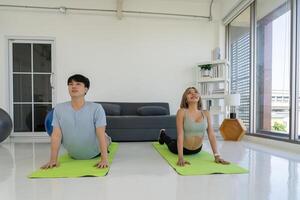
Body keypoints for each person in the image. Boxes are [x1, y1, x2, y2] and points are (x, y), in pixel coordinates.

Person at [41, 74, 111, 169]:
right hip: (74, 154)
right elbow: (56, 135)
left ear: (86, 89)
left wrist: (104, 159)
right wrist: (53, 160)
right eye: (70, 84)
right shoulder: (59, 109)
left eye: (78, 84)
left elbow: (100, 134)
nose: (73, 86)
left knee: (105, 137)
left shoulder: (97, 108)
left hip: (95, 152)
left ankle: (108, 141)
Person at [158, 87, 229, 166]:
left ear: (199, 98)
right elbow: (180, 135)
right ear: (185, 99)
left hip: (197, 150)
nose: (193, 93)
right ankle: (162, 134)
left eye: (195, 92)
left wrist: (217, 156)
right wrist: (180, 157)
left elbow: (211, 135)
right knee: (170, 142)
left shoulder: (206, 113)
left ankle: (164, 135)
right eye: (189, 92)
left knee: (174, 140)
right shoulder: (182, 112)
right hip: (182, 149)